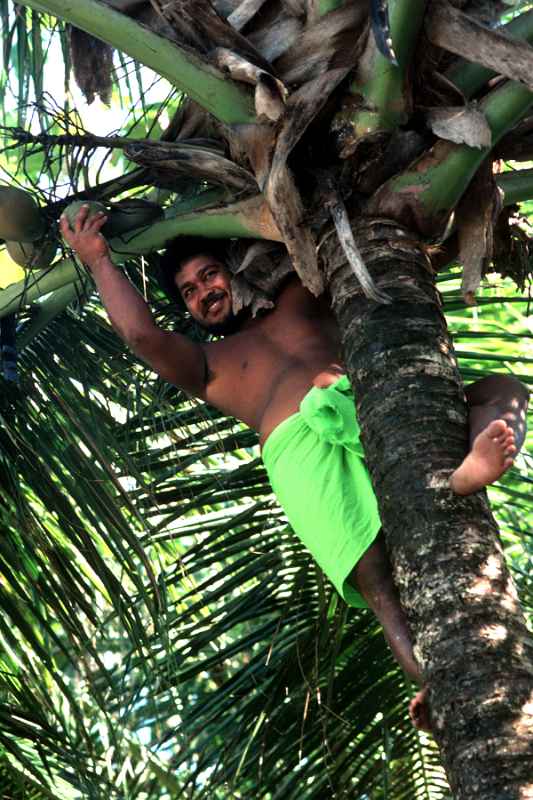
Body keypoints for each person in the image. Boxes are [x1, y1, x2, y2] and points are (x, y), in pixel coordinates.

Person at [61, 206, 529, 731]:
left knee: (504, 390)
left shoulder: (297, 294)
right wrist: (99, 260)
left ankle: (468, 468)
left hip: (382, 411)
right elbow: (143, 337)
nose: (203, 292)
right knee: (380, 587)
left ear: (236, 269)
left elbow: (333, 232)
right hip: (300, 453)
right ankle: (431, 681)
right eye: (189, 292)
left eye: (208, 274)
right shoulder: (209, 365)